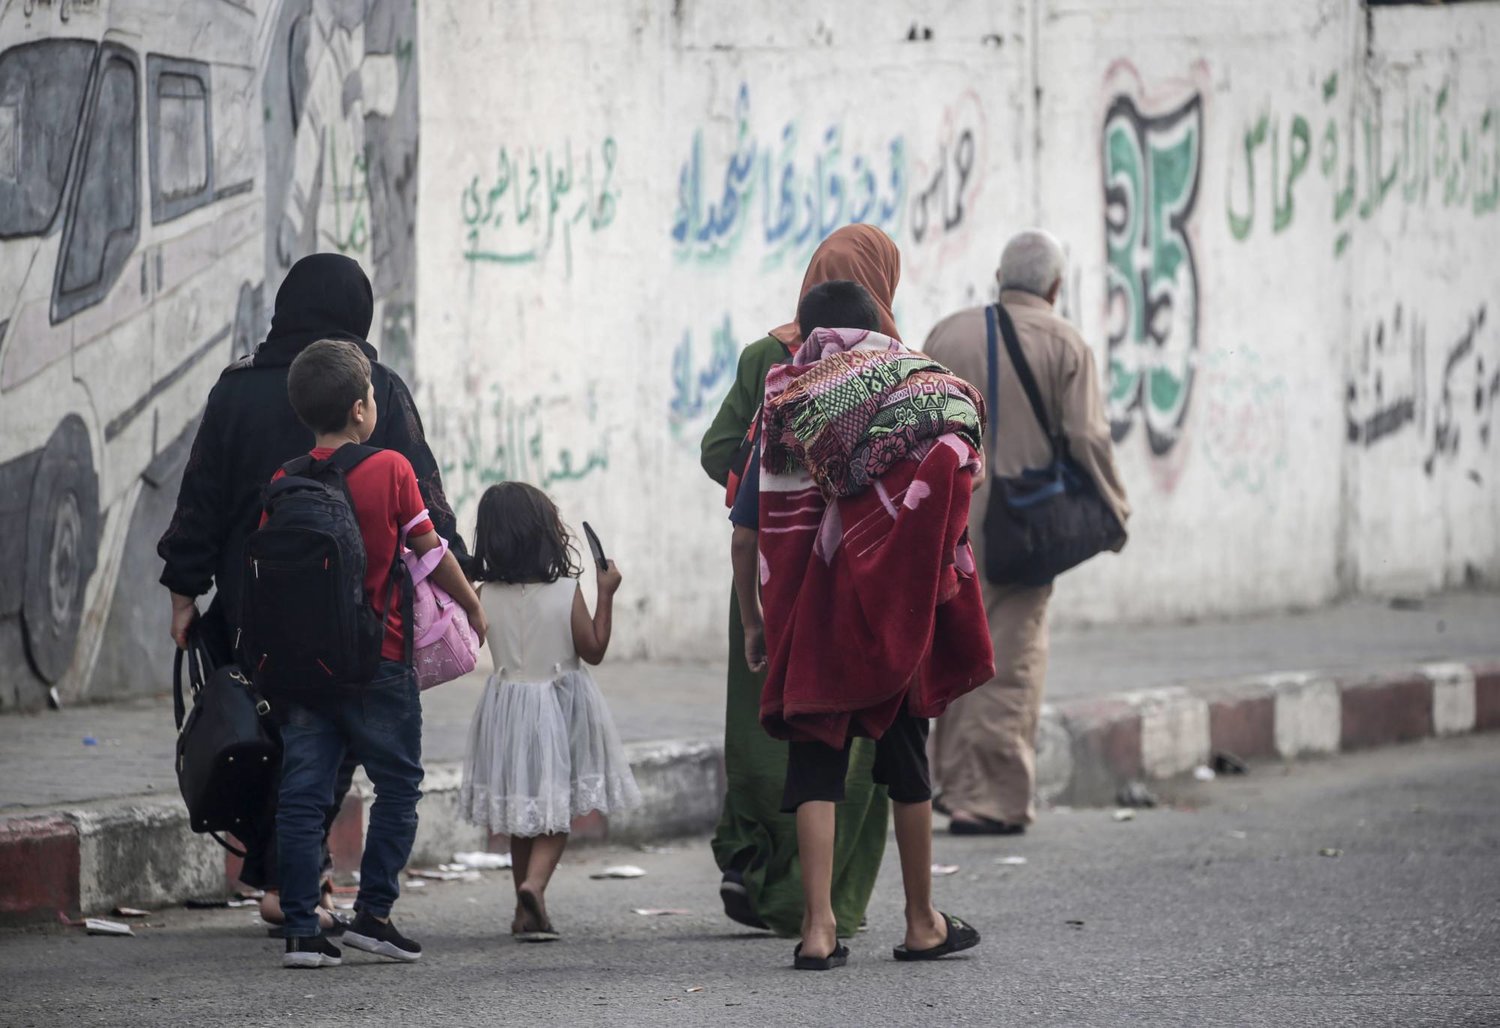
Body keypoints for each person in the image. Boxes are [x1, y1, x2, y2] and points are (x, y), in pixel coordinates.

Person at [157, 253, 468, 930]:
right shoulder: (371, 385)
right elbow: (426, 504)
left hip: (253, 605)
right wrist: (465, 584)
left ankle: (285, 880)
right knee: (332, 743)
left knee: (275, 732)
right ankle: (296, 884)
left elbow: (201, 495)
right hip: (352, 615)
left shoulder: (234, 389)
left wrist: (185, 590)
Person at [731, 280, 994, 970]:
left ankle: (818, 931)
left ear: (807, 334)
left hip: (812, 614)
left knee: (815, 760)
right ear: (878, 326)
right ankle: (920, 920)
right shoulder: (920, 389)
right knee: (906, 760)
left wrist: (757, 620)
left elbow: (749, 529)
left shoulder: (784, 399)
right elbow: (948, 488)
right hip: (890, 608)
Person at [697, 224, 900, 938]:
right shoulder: (901, 365)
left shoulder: (767, 355)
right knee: (859, 740)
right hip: (864, 581)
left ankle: (758, 871)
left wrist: (762, 480)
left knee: (767, 728)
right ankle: (835, 903)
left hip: (768, 572)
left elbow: (718, 449)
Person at [271, 339, 485, 969]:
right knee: (398, 786)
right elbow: (429, 548)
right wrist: (471, 604)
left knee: (303, 794)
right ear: (364, 409)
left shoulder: (285, 478)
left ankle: (303, 931)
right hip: (380, 660)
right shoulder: (392, 468)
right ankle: (374, 914)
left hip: (307, 667)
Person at [924, 229, 1131, 835]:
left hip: (950, 516)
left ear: (998, 276)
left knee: (955, 646)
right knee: (1009, 659)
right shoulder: (1066, 343)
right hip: (1025, 529)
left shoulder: (946, 333)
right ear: (1056, 286)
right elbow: (1088, 438)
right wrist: (1115, 511)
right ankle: (987, 799)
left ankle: (954, 782)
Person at [457, 482, 641, 942]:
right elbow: (594, 649)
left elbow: (469, 644)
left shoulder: (483, 593)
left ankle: (525, 912)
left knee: (523, 810)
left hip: (505, 707)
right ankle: (534, 887)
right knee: (557, 812)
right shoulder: (564, 591)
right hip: (558, 709)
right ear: (544, 533)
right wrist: (607, 592)